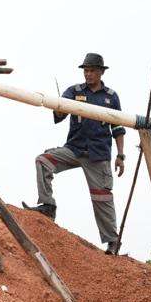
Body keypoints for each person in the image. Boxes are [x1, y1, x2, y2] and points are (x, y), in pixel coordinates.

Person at [24, 52, 126, 254]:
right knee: (43, 161)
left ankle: (112, 241)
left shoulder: (111, 97)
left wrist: (120, 156)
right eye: (85, 71)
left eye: (92, 71)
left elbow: (118, 128)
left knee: (102, 198)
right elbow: (60, 113)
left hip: (98, 154)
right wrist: (58, 107)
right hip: (74, 148)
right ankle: (47, 206)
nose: (88, 74)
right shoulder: (74, 91)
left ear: (101, 72)